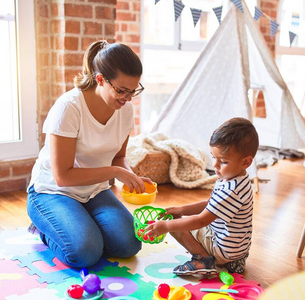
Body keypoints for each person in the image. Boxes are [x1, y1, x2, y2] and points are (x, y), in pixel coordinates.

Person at [27, 40, 151, 268]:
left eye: (133, 91)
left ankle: (81, 223)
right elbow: (63, 177)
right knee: (85, 253)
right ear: (100, 79)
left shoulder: (124, 109)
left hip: (94, 191)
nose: (128, 98)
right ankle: (44, 229)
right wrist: (115, 172)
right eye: (122, 90)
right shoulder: (69, 107)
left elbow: (118, 157)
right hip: (53, 192)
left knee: (130, 244)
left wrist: (130, 175)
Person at [145, 117, 259, 275]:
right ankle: (233, 260)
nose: (215, 165)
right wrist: (182, 209)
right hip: (238, 248)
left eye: (223, 161)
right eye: (214, 157)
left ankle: (203, 259)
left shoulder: (231, 190)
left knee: (175, 224)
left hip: (224, 249)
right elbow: (211, 203)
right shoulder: (238, 180)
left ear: (246, 162)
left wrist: (165, 226)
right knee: (183, 219)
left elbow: (201, 220)